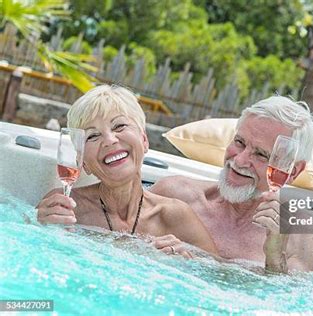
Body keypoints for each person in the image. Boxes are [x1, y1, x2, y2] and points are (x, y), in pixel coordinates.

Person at [37, 85, 217, 258]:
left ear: (144, 140)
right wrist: (38, 226)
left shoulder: (173, 216)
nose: (109, 140)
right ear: (83, 162)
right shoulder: (65, 208)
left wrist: (186, 258)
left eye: (119, 126)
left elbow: (221, 273)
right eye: (92, 136)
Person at [150, 96, 313, 273]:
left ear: (292, 171)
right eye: (239, 142)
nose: (239, 160)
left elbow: (288, 296)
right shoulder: (174, 194)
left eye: (261, 155)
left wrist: (275, 258)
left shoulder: (299, 233)